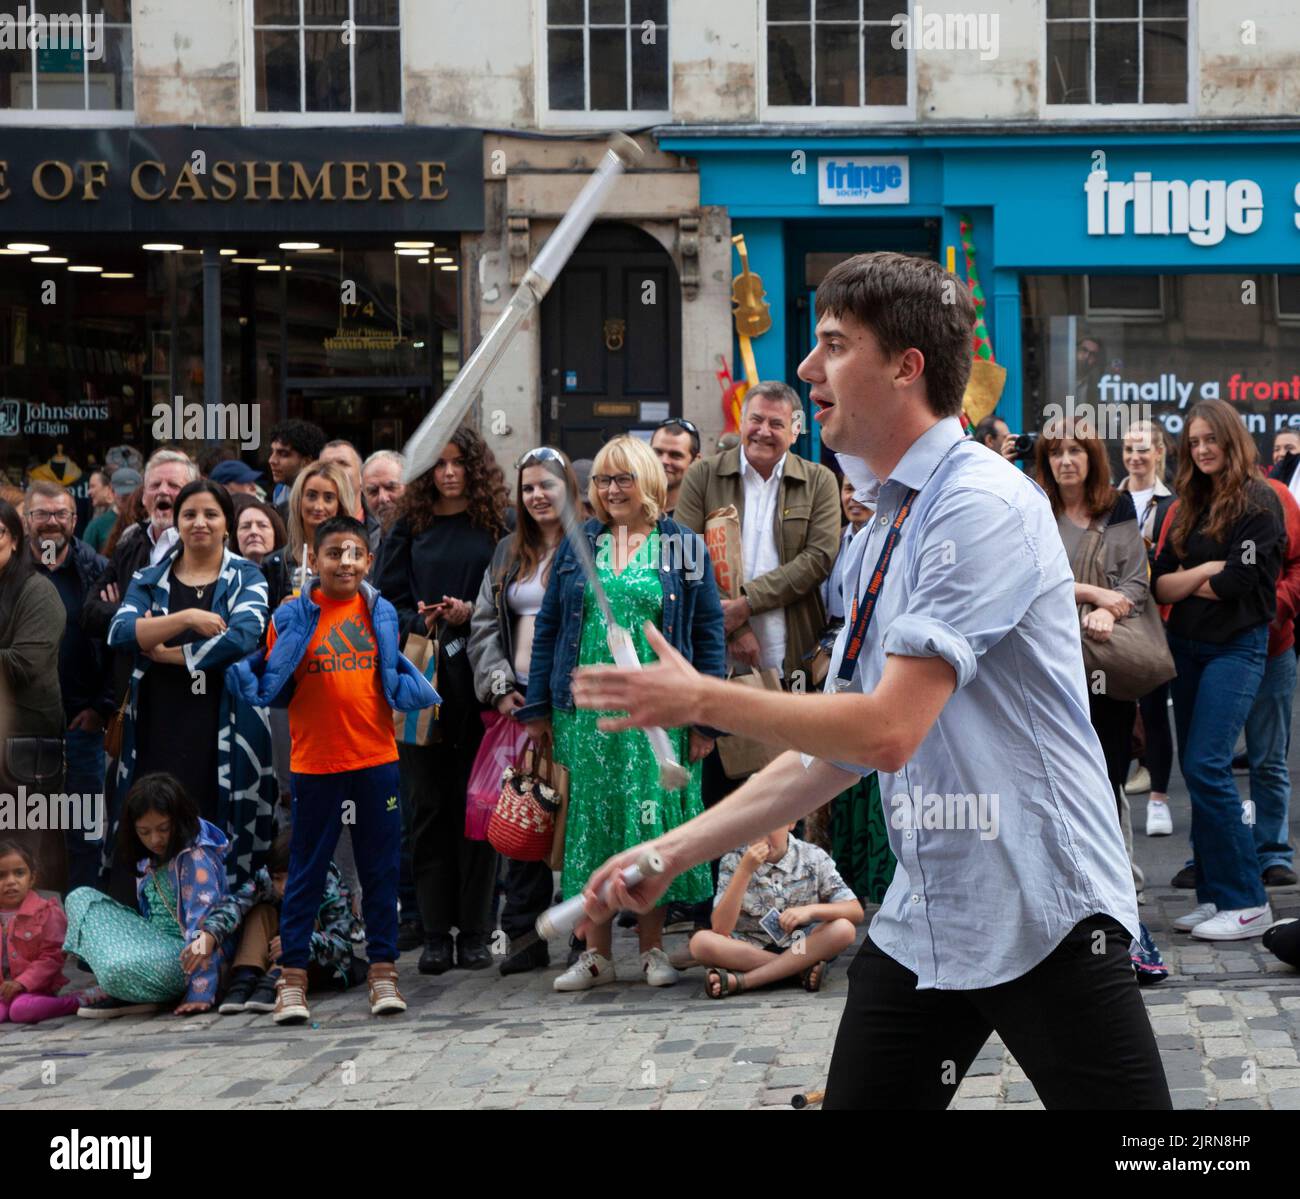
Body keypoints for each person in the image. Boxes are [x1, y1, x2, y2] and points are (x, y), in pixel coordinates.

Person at [570, 251, 1170, 1110]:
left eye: (833, 345)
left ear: (905, 366)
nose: (807, 369)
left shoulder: (982, 505)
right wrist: (675, 850)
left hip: (1047, 910)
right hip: (930, 915)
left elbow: (890, 729)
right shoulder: (883, 523)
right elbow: (837, 746)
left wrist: (701, 696)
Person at [520, 435, 725, 992]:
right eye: (603, 480)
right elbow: (550, 630)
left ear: (648, 482)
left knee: (648, 823)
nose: (611, 490)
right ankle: (596, 954)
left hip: (659, 710)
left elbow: (707, 632)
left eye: (623, 479)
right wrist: (538, 709)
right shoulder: (578, 544)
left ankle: (654, 950)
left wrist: (706, 719)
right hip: (586, 713)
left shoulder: (680, 545)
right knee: (593, 823)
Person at [225, 515, 440, 1024]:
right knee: (305, 870)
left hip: (377, 761)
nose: (345, 562)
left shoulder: (381, 612)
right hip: (315, 764)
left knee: (381, 871)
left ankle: (383, 974)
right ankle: (292, 981)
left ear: (368, 560)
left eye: (355, 553)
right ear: (313, 559)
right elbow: (272, 676)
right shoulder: (291, 616)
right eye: (333, 553)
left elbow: (396, 673)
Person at [376, 427, 508, 976]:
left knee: (479, 808)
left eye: (459, 463)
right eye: (440, 464)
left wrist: (470, 610)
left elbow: (509, 592)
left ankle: (477, 929)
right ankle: (434, 931)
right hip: (422, 678)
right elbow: (385, 600)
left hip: (479, 676)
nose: (450, 473)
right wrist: (425, 616)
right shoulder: (409, 525)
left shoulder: (497, 523)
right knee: (427, 807)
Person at [1152, 399, 1285, 941]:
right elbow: (1159, 583)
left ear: (1232, 441)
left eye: (1212, 440)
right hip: (1186, 648)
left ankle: (1248, 900)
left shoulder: (1259, 502)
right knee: (1197, 771)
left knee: (1208, 767)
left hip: (1236, 648)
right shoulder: (1187, 505)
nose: (1203, 449)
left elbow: (1234, 584)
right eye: (1196, 441)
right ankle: (1214, 894)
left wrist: (1200, 574)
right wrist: (1206, 568)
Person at [107, 479, 275, 888]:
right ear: (176, 524)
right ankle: (155, 920)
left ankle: (217, 932)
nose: (200, 522)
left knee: (217, 820)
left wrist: (169, 653)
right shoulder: (150, 576)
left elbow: (243, 636)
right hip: (157, 722)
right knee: (155, 819)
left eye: (211, 514)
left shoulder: (247, 575)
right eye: (190, 515)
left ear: (226, 525)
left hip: (225, 722)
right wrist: (187, 619)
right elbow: (121, 631)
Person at [468, 445, 580, 975]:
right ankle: (523, 935)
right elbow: (485, 624)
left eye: (547, 485)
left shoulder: (592, 546)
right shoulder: (508, 551)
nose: (537, 495)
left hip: (575, 704)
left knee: (580, 820)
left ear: (568, 490)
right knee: (523, 815)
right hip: (517, 702)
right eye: (528, 487)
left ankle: (586, 932)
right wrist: (497, 685)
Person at [1036, 422, 1149, 894]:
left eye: (1076, 451)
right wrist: (1091, 594)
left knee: (1107, 769)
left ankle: (1120, 877)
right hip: (1048, 662)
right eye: (1056, 452)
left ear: (1092, 457)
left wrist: (1109, 607)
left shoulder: (1116, 507)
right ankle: (1066, 880)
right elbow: (1031, 580)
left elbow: (1136, 583)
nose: (1066, 460)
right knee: (1055, 773)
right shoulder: (1035, 507)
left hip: (1106, 660)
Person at [676, 382, 840, 681]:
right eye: (756, 419)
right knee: (716, 726)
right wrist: (735, 627)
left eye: (776, 423)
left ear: (794, 431)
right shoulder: (702, 475)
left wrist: (747, 603)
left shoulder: (820, 481)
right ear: (742, 421)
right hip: (713, 642)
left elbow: (819, 558)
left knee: (785, 726)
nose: (763, 431)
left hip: (791, 646)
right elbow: (685, 554)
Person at [67, 773, 230, 1018]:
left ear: (180, 819)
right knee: (80, 898)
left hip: (183, 956)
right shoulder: (147, 860)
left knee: (115, 970)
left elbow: (201, 928)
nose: (155, 839)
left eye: (163, 828)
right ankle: (131, 987)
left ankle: (129, 987)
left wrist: (200, 991)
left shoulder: (196, 859)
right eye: (144, 832)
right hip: (153, 945)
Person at [25, 482, 112, 892]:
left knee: (83, 830)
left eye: (60, 514)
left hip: (81, 724)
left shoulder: (98, 570)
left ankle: (80, 922)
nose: (51, 522)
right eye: (42, 514)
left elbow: (118, 646)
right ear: (26, 520)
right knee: (22, 826)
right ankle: (18, 930)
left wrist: (102, 707)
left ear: (75, 520)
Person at [198, 830, 362, 1016]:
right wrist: (209, 934)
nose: (284, 887)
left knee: (307, 918)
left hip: (311, 962)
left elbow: (343, 946)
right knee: (259, 912)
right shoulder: (266, 878)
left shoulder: (328, 884)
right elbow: (235, 904)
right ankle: (245, 975)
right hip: (273, 949)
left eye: (291, 877)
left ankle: (276, 978)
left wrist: (300, 942)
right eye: (278, 879)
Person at [689, 822, 863, 997]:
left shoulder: (813, 856)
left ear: (791, 822)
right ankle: (799, 970)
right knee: (700, 943)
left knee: (844, 929)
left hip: (801, 943)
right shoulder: (733, 860)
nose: (762, 838)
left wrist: (810, 911)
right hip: (748, 946)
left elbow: (855, 911)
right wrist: (744, 871)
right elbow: (721, 928)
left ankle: (744, 981)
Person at [0, 498, 68, 893]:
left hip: (22, 754)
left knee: (25, 860)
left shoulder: (37, 590)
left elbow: (25, 663)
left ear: (14, 539)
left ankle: (31, 952)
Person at [1117, 420, 1177, 837]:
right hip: (1116, 616)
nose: (1135, 457)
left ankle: (1159, 799)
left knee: (1156, 710)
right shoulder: (1110, 499)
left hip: (1159, 616)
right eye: (1128, 449)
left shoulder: (1175, 502)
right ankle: (1115, 799)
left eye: (1143, 449)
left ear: (1159, 451)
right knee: (1116, 709)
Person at [0, 841, 80, 1024]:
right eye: (1, 875)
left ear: (32, 878)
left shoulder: (46, 912)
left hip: (36, 989)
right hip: (3, 992)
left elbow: (53, 957)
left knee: (21, 1011)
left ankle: (75, 1001)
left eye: (19, 873)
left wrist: (22, 982)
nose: (11, 881)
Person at [261, 460, 355, 612]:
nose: (318, 506)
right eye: (311, 496)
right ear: (299, 501)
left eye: (329, 498)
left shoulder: (354, 560)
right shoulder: (274, 564)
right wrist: (280, 613)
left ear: (340, 505)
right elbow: (261, 628)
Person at [267, 419, 327, 518]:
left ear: (307, 462)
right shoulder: (279, 491)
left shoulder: (324, 494)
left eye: (283, 454)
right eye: (272, 452)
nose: (272, 460)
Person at [650, 419, 701, 516]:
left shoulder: (703, 516)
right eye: (658, 452)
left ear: (695, 461)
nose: (664, 461)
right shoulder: (628, 509)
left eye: (675, 455)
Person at [361, 449, 407, 546]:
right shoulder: (365, 546)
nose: (382, 498)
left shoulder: (428, 539)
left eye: (391, 488)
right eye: (373, 491)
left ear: (409, 488)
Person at [232, 494, 287, 568]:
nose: (253, 531)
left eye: (262, 525)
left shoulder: (291, 574)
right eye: (245, 526)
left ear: (276, 533)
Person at [83, 469, 116, 551]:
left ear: (108, 488)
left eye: (93, 486)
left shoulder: (120, 515)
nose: (88, 492)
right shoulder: (97, 510)